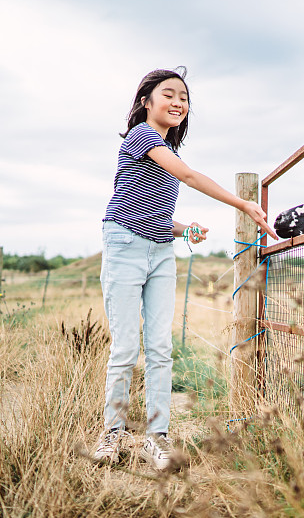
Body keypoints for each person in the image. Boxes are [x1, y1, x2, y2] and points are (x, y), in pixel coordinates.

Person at [93, 67, 277, 469]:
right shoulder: (143, 135)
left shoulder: (166, 151)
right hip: (124, 244)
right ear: (147, 101)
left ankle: (155, 438)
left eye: (184, 98)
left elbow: (152, 210)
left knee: (160, 348)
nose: (179, 102)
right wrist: (243, 203)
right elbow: (190, 177)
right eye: (169, 94)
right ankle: (113, 434)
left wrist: (183, 228)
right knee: (125, 348)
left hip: (159, 251)